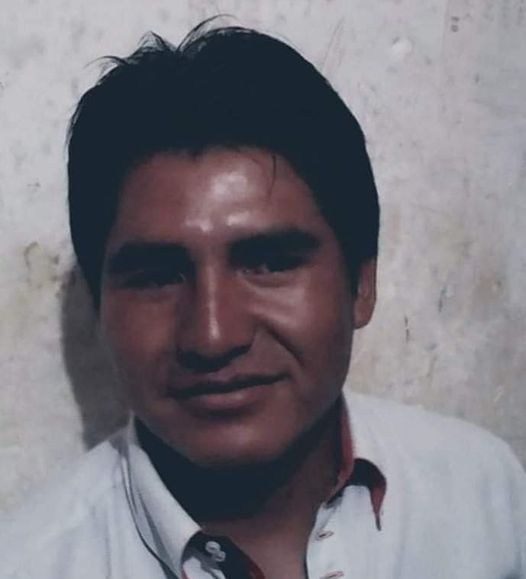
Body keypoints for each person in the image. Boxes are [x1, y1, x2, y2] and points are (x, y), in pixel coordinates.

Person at [1, 20, 525, 579]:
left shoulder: (483, 493)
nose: (213, 336)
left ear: (361, 284)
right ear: (99, 308)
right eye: (157, 277)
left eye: (270, 264)